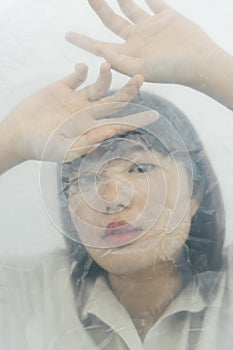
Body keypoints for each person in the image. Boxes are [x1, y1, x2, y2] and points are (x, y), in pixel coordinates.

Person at [0, 1, 233, 349]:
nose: (111, 197)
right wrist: (11, 138)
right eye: (83, 180)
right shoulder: (24, 294)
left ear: (195, 191)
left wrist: (213, 67)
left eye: (139, 167)